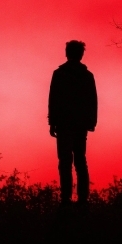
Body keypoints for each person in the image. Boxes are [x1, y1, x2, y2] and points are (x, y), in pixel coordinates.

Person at [48, 40, 97, 205]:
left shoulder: (60, 74)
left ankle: (66, 197)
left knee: (65, 161)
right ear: (81, 54)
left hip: (64, 124)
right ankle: (82, 197)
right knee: (80, 160)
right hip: (80, 124)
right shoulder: (87, 76)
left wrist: (52, 122)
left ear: (67, 53)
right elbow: (93, 101)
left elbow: (53, 99)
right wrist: (91, 122)